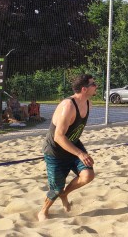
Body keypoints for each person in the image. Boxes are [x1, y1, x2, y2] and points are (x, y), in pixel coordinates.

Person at [38, 74, 97, 221]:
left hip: (72, 145)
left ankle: (65, 194)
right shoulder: (68, 106)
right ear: (84, 89)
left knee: (88, 175)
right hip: (55, 151)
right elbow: (58, 136)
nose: (96, 86)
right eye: (93, 84)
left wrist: (79, 152)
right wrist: (80, 154)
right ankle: (43, 211)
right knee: (56, 188)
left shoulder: (88, 103)